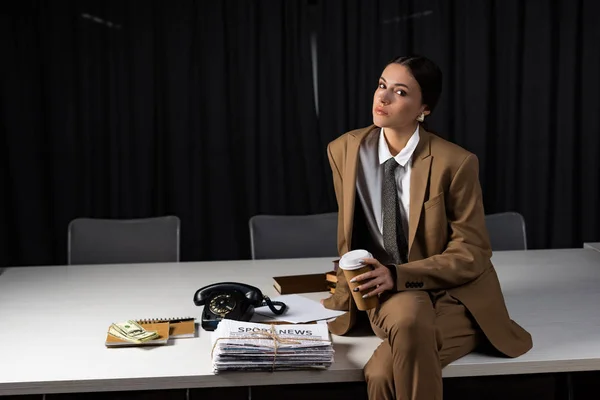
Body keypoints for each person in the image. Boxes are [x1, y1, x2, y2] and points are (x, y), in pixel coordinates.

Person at [321, 55, 532, 400]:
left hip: (455, 294)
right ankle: (463, 330)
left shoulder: (455, 162)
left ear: (424, 109)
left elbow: (472, 252)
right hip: (387, 295)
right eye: (381, 85)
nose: (383, 98)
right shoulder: (343, 150)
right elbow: (352, 233)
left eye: (400, 92)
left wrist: (398, 273)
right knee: (409, 319)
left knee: (381, 372)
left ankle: (471, 324)